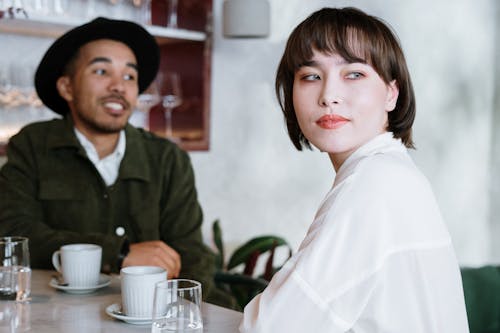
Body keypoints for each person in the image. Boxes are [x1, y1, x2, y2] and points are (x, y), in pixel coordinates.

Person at [240, 7, 469, 332]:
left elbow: (270, 326)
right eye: (311, 76)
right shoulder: (392, 172)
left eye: (354, 74)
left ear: (392, 92)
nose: (329, 96)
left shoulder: (374, 184)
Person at [0, 17, 232, 307]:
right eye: (101, 71)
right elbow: (13, 236)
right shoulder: (32, 145)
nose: (119, 87)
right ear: (66, 87)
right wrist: (117, 254)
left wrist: (180, 313)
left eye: (129, 77)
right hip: (57, 319)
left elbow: (192, 256)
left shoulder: (167, 158)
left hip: (148, 319)